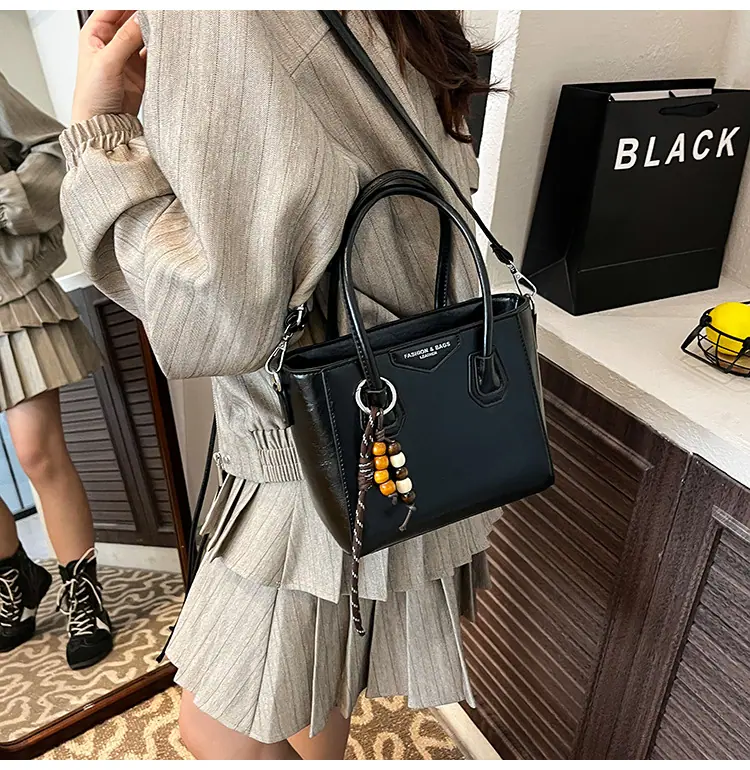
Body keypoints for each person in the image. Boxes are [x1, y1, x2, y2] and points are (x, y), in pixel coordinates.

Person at [63, 10, 499, 760]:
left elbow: (216, 315)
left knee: (222, 730)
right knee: (307, 691)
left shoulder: (219, 16)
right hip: (400, 410)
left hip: (307, 455)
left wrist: (99, 138)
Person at [0, 72, 112, 670]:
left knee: (38, 454)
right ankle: (15, 579)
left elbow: (52, 149)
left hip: (8, 299)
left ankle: (83, 597)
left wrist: (5, 202)